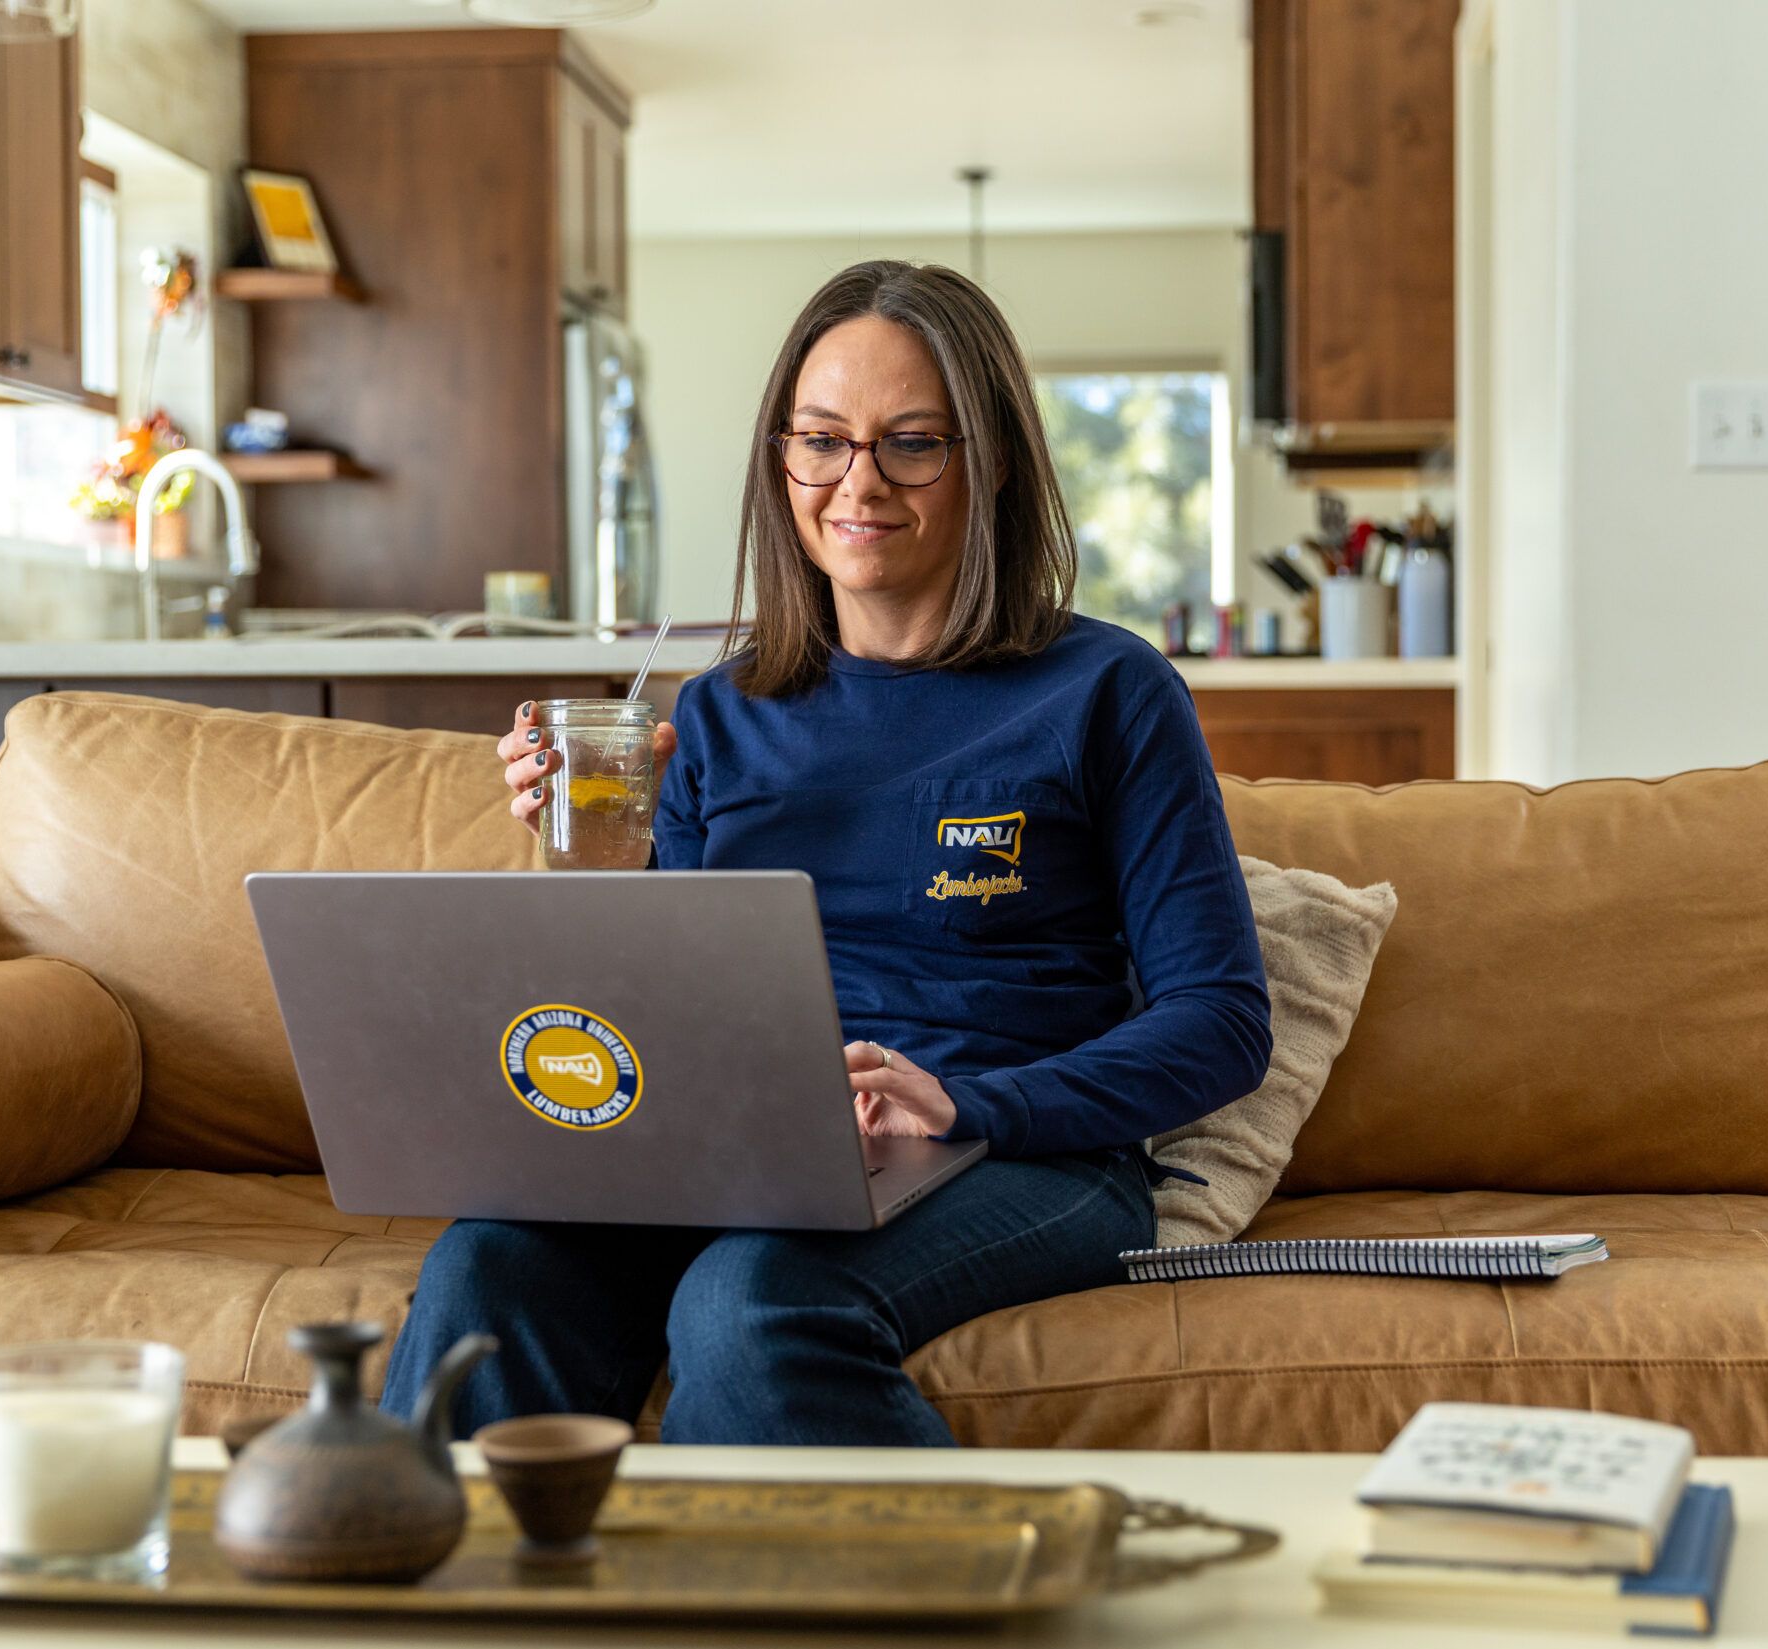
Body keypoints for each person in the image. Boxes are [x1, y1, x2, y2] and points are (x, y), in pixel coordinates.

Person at [379, 259, 1271, 1447]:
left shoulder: (1109, 690)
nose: (859, 481)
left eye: (912, 443)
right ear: (781, 456)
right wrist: (598, 868)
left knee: (752, 1300)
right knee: (485, 1267)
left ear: (993, 460)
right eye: (821, 440)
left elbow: (1221, 1019)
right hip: (739, 1152)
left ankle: (961, 1561)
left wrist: (969, 1103)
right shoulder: (717, 713)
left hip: (1019, 1153)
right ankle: (447, 1569)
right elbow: (666, 1018)